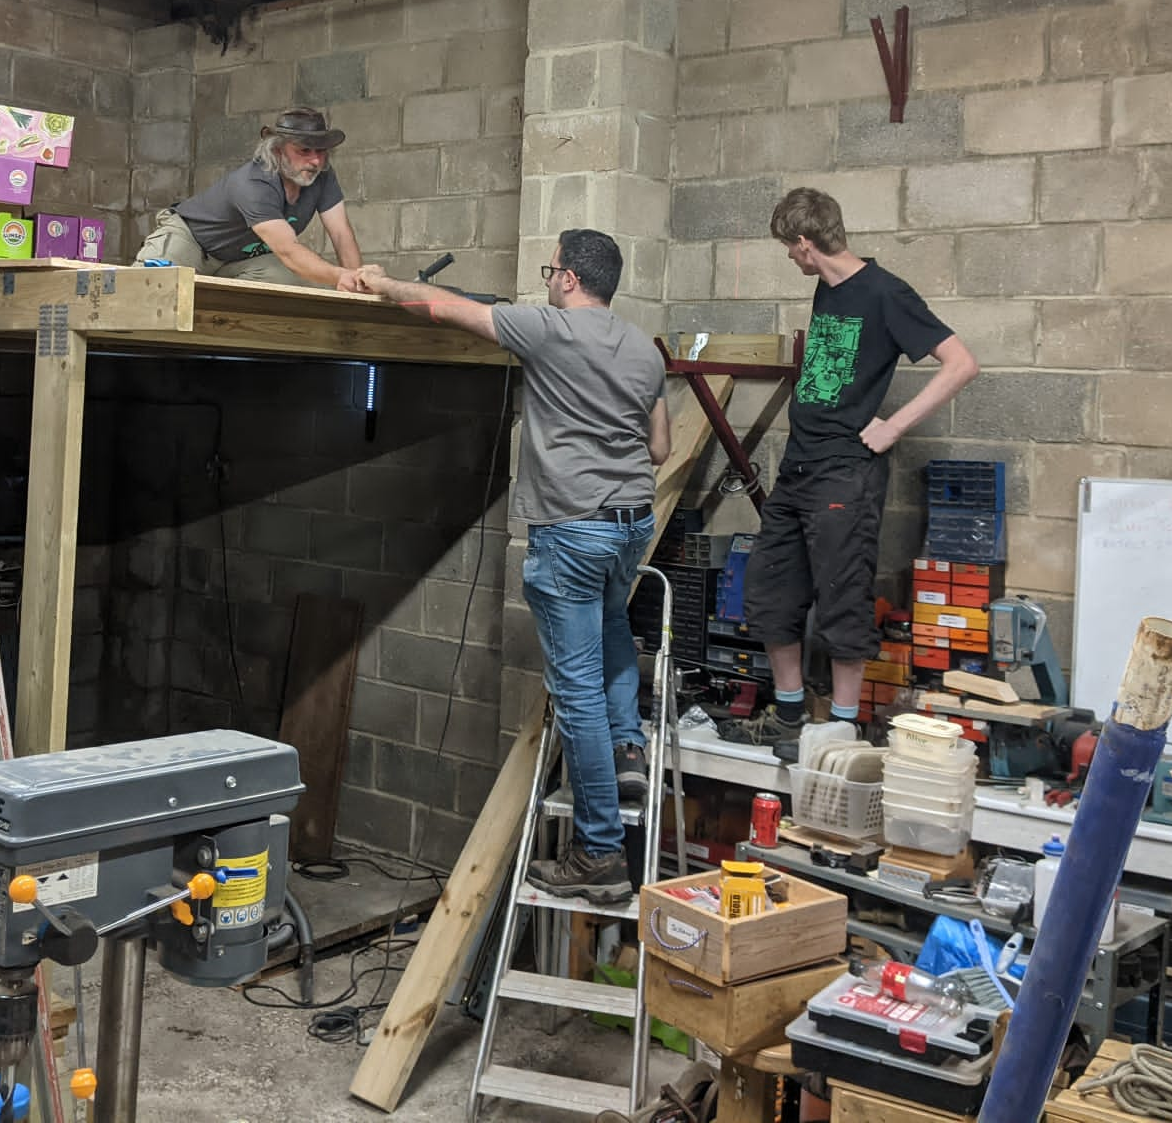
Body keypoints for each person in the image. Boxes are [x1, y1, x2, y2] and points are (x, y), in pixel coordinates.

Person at [358, 231, 669, 904]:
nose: (548, 278)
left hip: (573, 530)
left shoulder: (548, 330)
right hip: (630, 523)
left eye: (550, 268)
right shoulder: (645, 348)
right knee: (613, 627)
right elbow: (662, 447)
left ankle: (599, 854)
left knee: (577, 693)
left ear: (567, 278)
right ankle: (628, 753)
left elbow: (444, 309)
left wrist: (383, 285)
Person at [721, 187, 978, 749]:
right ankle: (789, 716)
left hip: (847, 472)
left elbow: (961, 362)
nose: (790, 258)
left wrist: (893, 426)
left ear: (806, 244)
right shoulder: (825, 288)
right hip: (799, 467)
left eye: (790, 249)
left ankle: (839, 728)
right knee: (769, 591)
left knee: (842, 597)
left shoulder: (887, 293)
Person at [136, 107, 373, 291]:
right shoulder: (255, 183)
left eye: (321, 151)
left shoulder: (322, 176)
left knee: (296, 281)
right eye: (304, 150)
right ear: (277, 150)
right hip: (193, 243)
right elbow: (288, 251)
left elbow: (342, 234)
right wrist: (341, 276)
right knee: (148, 289)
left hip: (241, 260)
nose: (316, 161)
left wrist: (358, 286)